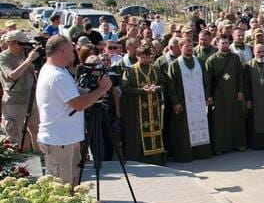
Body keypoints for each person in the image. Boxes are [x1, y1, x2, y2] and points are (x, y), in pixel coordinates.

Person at [36, 36, 112, 185]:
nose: (74, 53)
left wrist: (93, 89)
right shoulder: (56, 75)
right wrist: (102, 88)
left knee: (72, 183)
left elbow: (73, 94)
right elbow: (78, 104)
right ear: (62, 51)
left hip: (66, 138)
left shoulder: (57, 71)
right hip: (59, 140)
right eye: (72, 50)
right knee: (62, 188)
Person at [166, 38, 213, 163]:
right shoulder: (175, 65)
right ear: (180, 47)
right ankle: (186, 155)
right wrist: (175, 102)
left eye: (191, 46)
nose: (190, 48)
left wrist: (207, 96)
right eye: (187, 46)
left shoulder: (200, 62)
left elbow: (206, 81)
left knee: (201, 125)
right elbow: (171, 86)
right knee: (184, 130)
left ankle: (201, 153)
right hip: (184, 102)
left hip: (199, 101)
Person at [120, 45, 167, 165]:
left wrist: (157, 88)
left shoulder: (155, 69)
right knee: (138, 133)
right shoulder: (130, 70)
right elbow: (125, 88)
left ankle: (155, 159)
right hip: (137, 108)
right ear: (137, 56)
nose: (146, 60)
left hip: (154, 108)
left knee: (155, 131)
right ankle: (139, 159)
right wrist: (142, 90)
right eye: (143, 57)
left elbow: (163, 82)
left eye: (148, 57)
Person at [0, 31, 40, 151]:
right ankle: (22, 162)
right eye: (22, 43)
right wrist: (28, 60)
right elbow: (12, 76)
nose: (25, 46)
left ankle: (40, 157)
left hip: (31, 98)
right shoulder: (3, 57)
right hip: (14, 101)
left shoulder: (26, 53)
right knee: (17, 134)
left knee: (37, 130)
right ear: (11, 43)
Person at [206, 36, 247, 154]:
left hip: (234, 93)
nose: (225, 45)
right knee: (220, 121)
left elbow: (240, 75)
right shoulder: (211, 60)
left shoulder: (235, 58)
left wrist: (240, 91)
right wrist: (209, 95)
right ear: (217, 44)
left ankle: (238, 144)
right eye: (223, 43)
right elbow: (208, 80)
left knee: (235, 119)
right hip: (219, 95)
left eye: (227, 43)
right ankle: (220, 147)